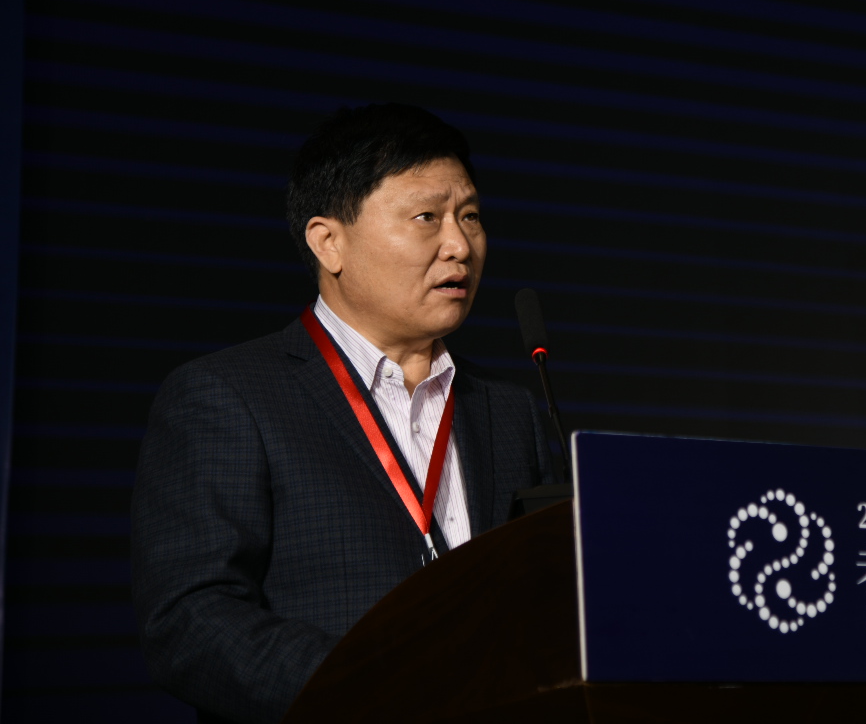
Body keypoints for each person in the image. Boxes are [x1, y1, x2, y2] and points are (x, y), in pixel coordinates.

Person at [132, 104, 557, 724]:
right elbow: (190, 622)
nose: (460, 245)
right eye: (427, 217)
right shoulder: (227, 395)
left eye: (470, 216)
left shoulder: (509, 409)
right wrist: (382, 686)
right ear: (328, 242)